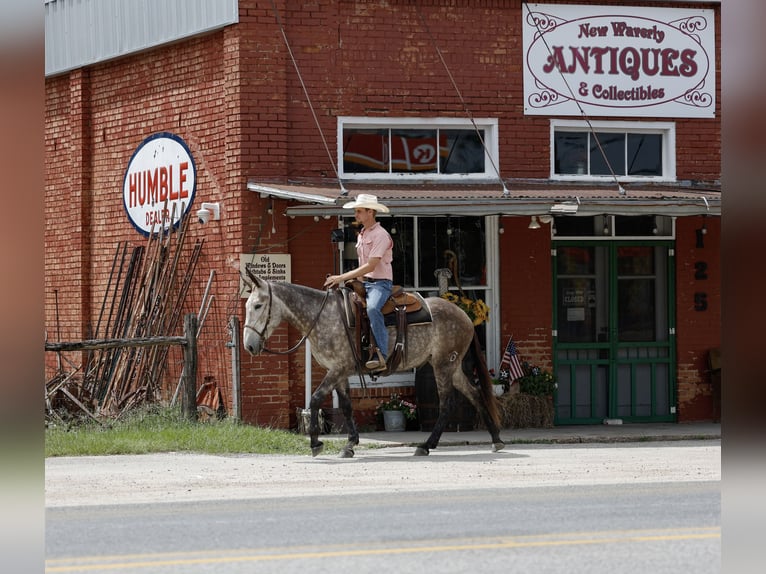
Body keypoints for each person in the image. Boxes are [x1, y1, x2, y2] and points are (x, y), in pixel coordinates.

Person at [324, 194, 393, 372]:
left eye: (359, 211)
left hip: (380, 284)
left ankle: (381, 355)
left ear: (370, 212)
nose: (356, 215)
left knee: (372, 309)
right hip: (366, 283)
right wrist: (356, 282)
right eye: (356, 211)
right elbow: (363, 266)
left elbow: (371, 265)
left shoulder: (381, 235)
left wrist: (341, 278)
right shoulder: (362, 234)